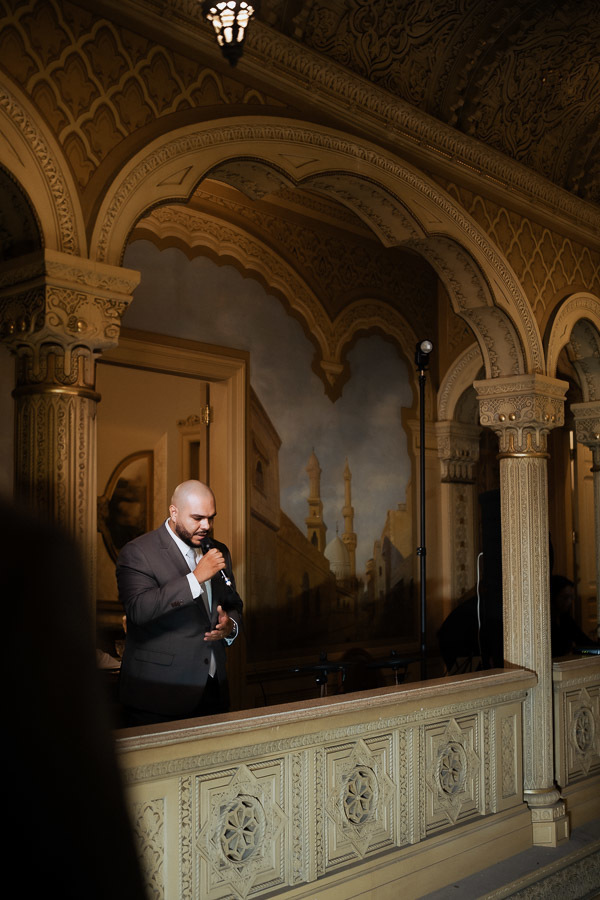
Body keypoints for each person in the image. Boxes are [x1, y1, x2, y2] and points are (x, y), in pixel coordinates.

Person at [117, 480, 243, 726]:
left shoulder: (219, 551)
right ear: (173, 512)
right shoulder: (137, 552)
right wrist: (195, 578)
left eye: (211, 518)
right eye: (197, 518)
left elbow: (233, 604)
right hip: (158, 697)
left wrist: (230, 628)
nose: (206, 526)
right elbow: (139, 610)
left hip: (214, 691)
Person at [550, 575, 598, 657]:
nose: (569, 602)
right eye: (565, 598)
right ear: (554, 596)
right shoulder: (548, 621)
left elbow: (582, 640)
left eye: (571, 598)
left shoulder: (566, 619)